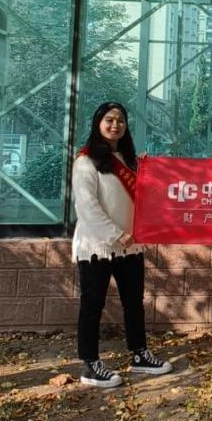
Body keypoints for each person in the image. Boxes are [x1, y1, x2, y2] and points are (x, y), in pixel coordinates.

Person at [72, 101, 172, 388]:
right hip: (98, 246)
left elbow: (147, 198)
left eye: (120, 120)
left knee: (134, 303)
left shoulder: (130, 161)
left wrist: (150, 170)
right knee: (93, 304)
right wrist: (115, 234)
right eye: (109, 119)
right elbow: (87, 207)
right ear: (98, 123)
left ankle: (140, 354)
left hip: (130, 245)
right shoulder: (86, 161)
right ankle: (90, 363)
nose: (115, 125)